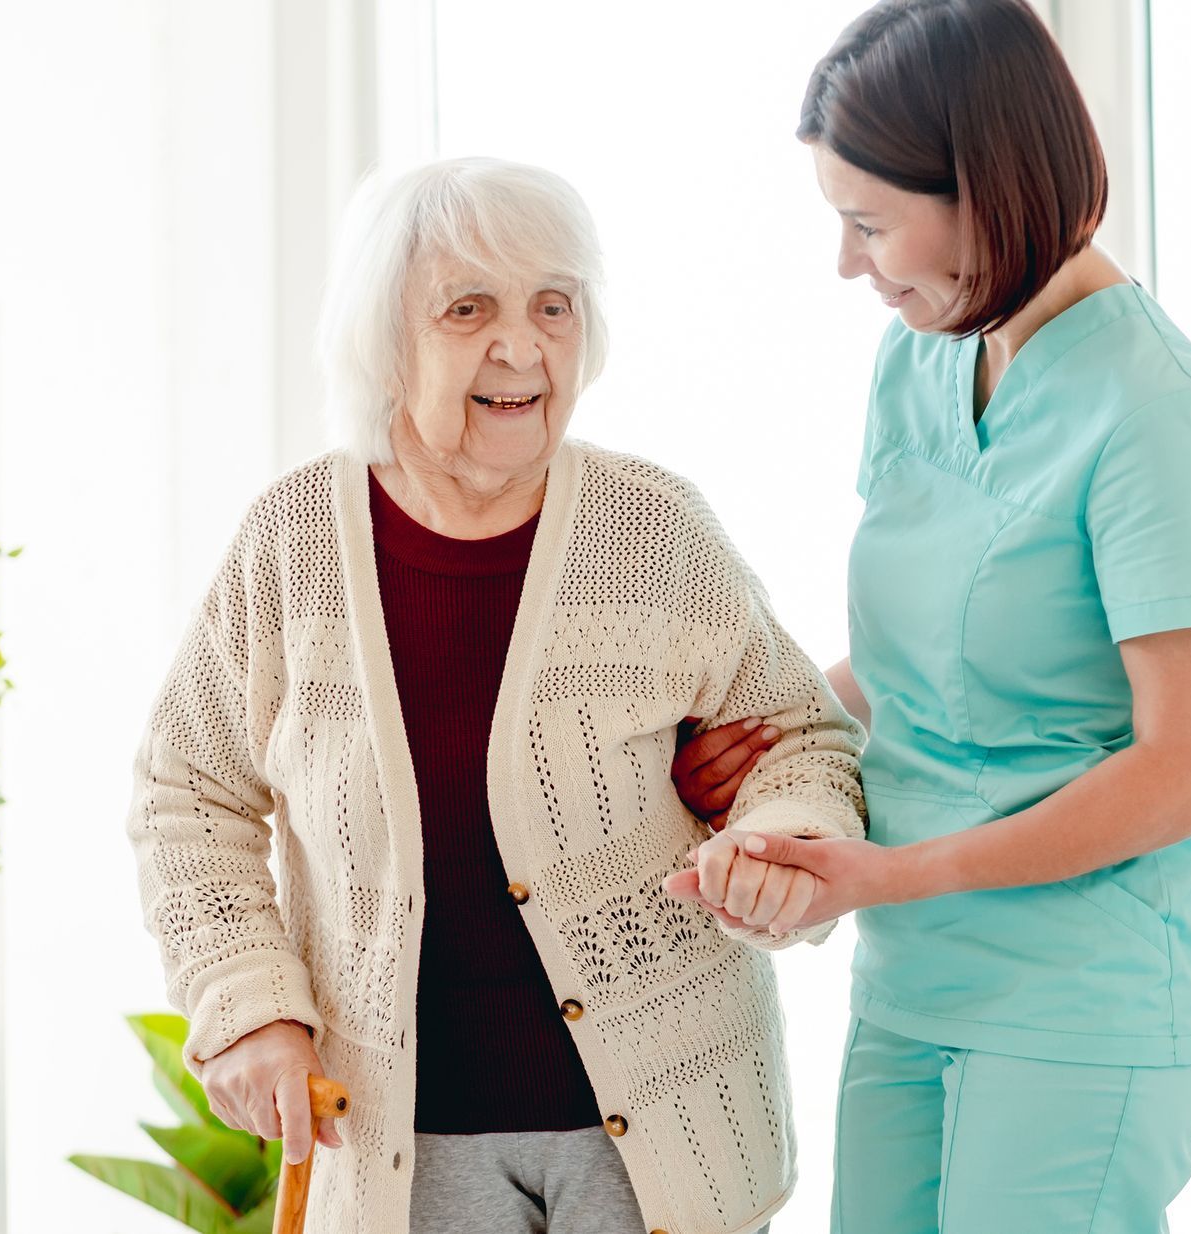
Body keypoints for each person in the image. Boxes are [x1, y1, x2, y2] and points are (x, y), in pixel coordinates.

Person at [127, 157, 864, 1234]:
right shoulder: (291, 544)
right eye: (468, 309)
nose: (520, 348)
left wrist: (777, 843)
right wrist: (246, 1007)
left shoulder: (654, 530)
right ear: (386, 340)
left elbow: (802, 741)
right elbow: (187, 793)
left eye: (552, 307)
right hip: (401, 1150)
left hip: (665, 1135)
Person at [665, 2, 1191, 1230]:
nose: (848, 265)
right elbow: (914, 660)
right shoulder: (921, 358)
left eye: (870, 224)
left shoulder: (1151, 411)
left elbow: (1189, 769)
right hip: (911, 986)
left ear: (986, 187)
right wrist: (781, 731)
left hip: (1077, 1009)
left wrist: (888, 873)